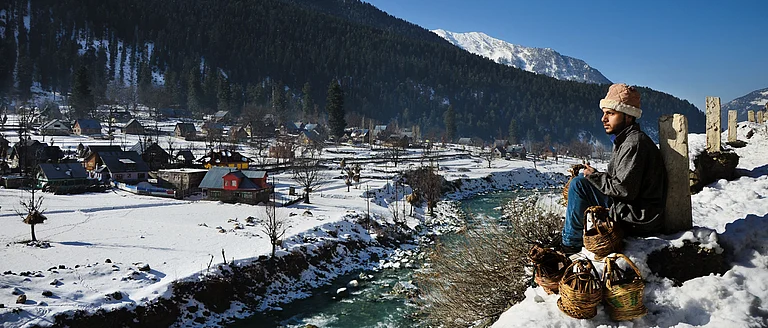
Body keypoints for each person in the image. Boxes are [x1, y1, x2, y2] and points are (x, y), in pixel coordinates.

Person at [561, 83, 667, 255]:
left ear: (628, 116)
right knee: (582, 184)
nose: (604, 119)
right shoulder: (625, 140)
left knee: (579, 185)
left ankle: (569, 246)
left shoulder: (634, 143)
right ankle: (572, 237)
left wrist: (594, 177)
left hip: (639, 216)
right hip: (635, 209)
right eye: (604, 113)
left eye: (610, 113)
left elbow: (624, 190)